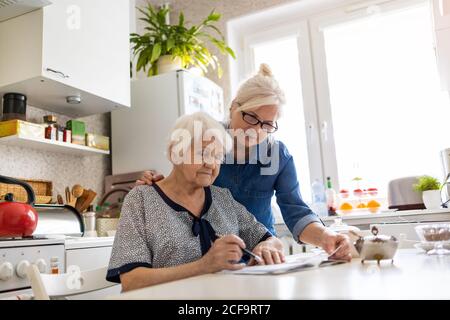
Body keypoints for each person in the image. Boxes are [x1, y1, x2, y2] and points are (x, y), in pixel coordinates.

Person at [138, 64, 352, 261]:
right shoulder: (207, 138)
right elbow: (181, 186)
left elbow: (296, 212)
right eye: (250, 117)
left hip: (259, 256)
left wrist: (327, 237)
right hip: (208, 258)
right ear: (233, 107)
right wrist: (159, 186)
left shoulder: (278, 154)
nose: (256, 130)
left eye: (267, 124)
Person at [107, 112, 284, 292]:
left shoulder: (223, 198)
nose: (211, 164)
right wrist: (204, 265)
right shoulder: (140, 200)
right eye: (203, 153)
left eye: (217, 156)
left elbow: (270, 238)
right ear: (174, 153)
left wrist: (267, 247)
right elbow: (131, 280)